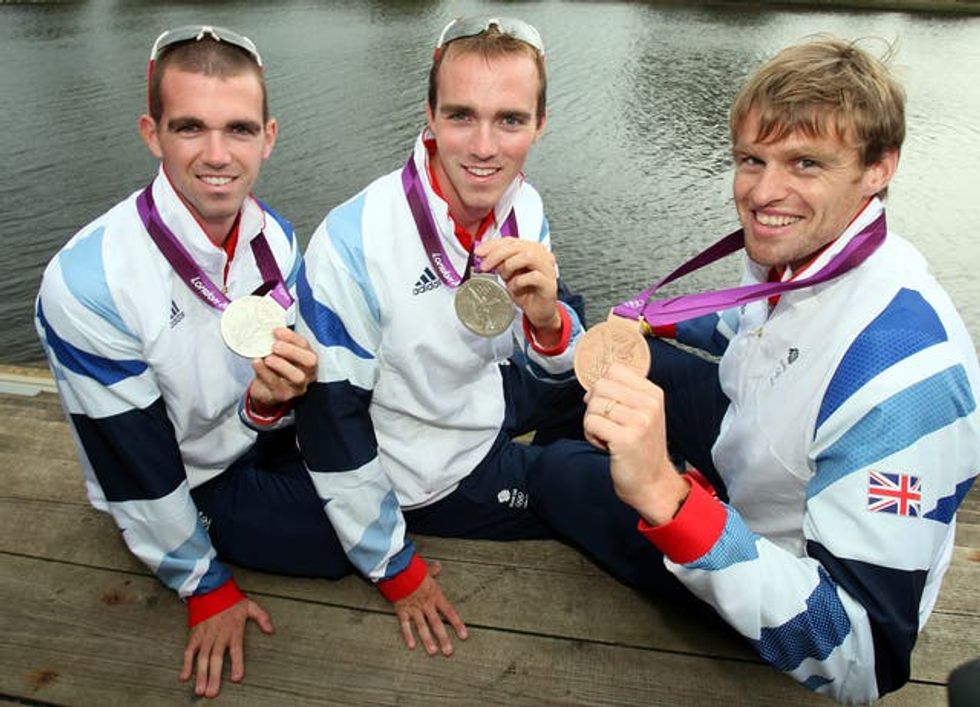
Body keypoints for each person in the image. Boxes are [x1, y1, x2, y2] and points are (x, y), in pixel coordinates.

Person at [534, 37, 980, 703]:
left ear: (879, 166)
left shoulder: (903, 384)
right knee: (622, 365)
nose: (763, 192)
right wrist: (658, 319)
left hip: (769, 560)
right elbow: (758, 328)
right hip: (760, 449)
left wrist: (668, 496)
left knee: (553, 472)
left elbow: (862, 660)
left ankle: (571, 476)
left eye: (805, 162)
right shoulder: (817, 247)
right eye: (752, 159)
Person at [34, 26, 346, 699]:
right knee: (338, 544)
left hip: (251, 434)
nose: (216, 156)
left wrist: (270, 404)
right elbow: (136, 462)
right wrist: (205, 587)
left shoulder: (275, 236)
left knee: (388, 463)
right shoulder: (90, 282)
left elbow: (265, 385)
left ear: (269, 136)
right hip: (185, 477)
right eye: (189, 128)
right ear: (152, 132)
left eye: (238, 129)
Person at [294, 16, 586, 657]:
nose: (484, 147)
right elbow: (330, 425)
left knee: (615, 352)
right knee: (601, 494)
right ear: (429, 114)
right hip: (426, 472)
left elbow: (538, 355)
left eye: (510, 120)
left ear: (542, 122)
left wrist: (548, 322)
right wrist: (397, 571)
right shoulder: (351, 245)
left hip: (484, 399)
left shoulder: (526, 205)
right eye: (461, 116)